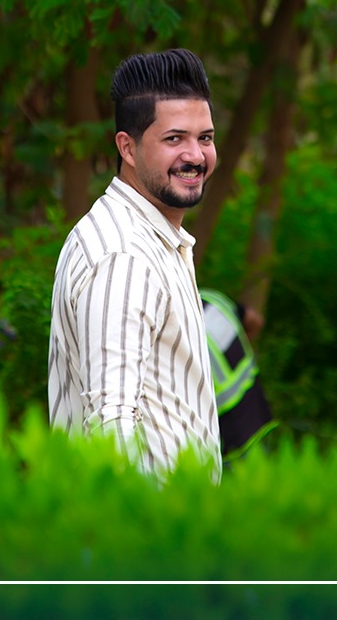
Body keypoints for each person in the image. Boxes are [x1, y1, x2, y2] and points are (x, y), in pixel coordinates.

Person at [48, 48, 222, 477]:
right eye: (174, 139)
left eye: (205, 138)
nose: (196, 156)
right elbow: (112, 427)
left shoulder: (152, 239)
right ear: (127, 147)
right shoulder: (123, 255)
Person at [199, 288, 277, 459]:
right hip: (261, 415)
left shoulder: (174, 327)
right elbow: (255, 321)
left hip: (232, 435)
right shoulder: (213, 300)